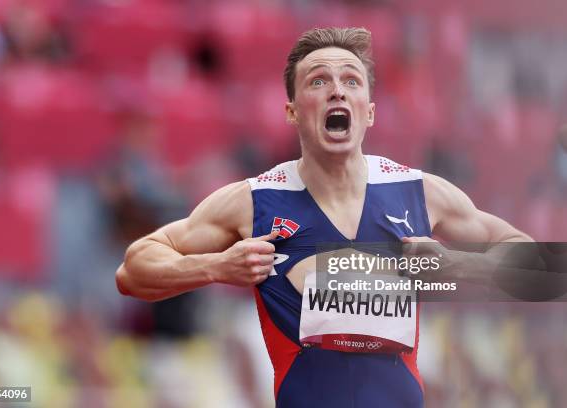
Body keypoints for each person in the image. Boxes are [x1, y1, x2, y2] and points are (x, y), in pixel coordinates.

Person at [116, 27, 532, 407]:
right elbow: (133, 271)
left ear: (368, 110)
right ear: (292, 111)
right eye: (318, 81)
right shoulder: (255, 201)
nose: (337, 91)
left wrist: (460, 265)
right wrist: (216, 266)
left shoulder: (421, 193)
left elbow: (545, 269)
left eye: (351, 81)